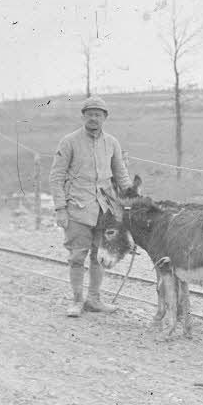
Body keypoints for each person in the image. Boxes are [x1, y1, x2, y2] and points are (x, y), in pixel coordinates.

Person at [49, 95, 133, 317]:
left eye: (98, 114)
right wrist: (60, 208)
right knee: (77, 256)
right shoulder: (69, 142)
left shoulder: (112, 143)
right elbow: (56, 177)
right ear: (83, 116)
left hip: (105, 210)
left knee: (100, 255)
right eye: (90, 114)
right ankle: (77, 301)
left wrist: (133, 199)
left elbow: (121, 175)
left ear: (105, 118)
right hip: (77, 207)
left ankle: (94, 300)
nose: (93, 118)